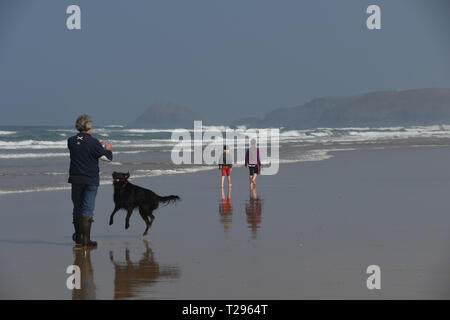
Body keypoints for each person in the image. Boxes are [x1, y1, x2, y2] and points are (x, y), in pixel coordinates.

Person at [68, 114, 113, 247]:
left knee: (77, 207)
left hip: (76, 178)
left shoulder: (70, 140)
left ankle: (78, 237)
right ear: (89, 126)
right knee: (87, 208)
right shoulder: (93, 142)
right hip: (91, 178)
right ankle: (86, 240)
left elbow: (81, 149)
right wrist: (108, 150)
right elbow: (106, 159)